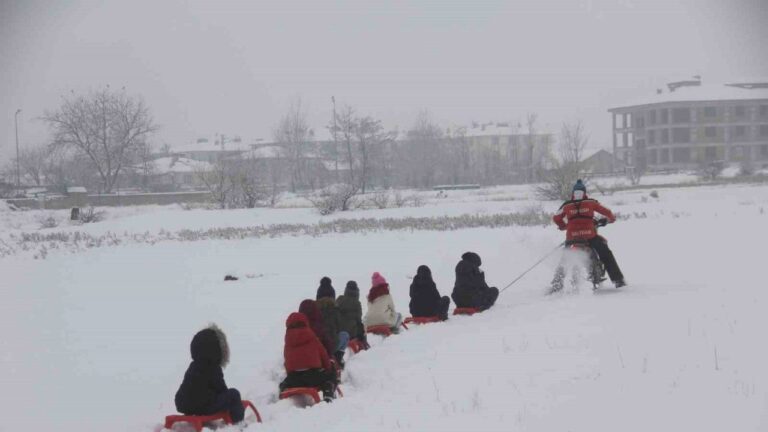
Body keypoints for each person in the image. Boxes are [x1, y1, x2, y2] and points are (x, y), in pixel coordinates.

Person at [552, 179, 626, 288]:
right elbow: (607, 212)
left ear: (573, 193)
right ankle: (618, 280)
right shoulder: (591, 202)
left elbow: (556, 218)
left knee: (565, 258)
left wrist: (564, 226)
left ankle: (557, 283)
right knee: (606, 254)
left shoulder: (566, 205)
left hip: (572, 238)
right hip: (589, 237)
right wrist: (611, 219)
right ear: (584, 193)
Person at [174, 324, 245, 423]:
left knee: (202, 394)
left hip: (183, 404)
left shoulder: (193, 365)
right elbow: (221, 389)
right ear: (218, 349)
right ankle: (238, 421)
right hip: (203, 406)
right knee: (234, 394)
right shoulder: (213, 367)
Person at [279, 312, 337, 402]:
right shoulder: (312, 337)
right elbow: (324, 355)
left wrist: (290, 375)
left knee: (285, 382)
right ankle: (328, 391)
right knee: (330, 376)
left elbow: (287, 361)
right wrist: (329, 368)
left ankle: (284, 388)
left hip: (294, 379)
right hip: (314, 376)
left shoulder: (288, 341)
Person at [316, 277, 349, 368]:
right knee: (344, 335)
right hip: (332, 346)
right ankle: (338, 358)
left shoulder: (314, 310)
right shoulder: (335, 310)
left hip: (317, 346)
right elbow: (339, 328)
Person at [336, 281, 370, 350]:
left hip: (339, 331)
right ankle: (364, 346)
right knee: (362, 327)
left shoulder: (339, 299)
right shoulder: (357, 303)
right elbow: (358, 320)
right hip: (351, 333)